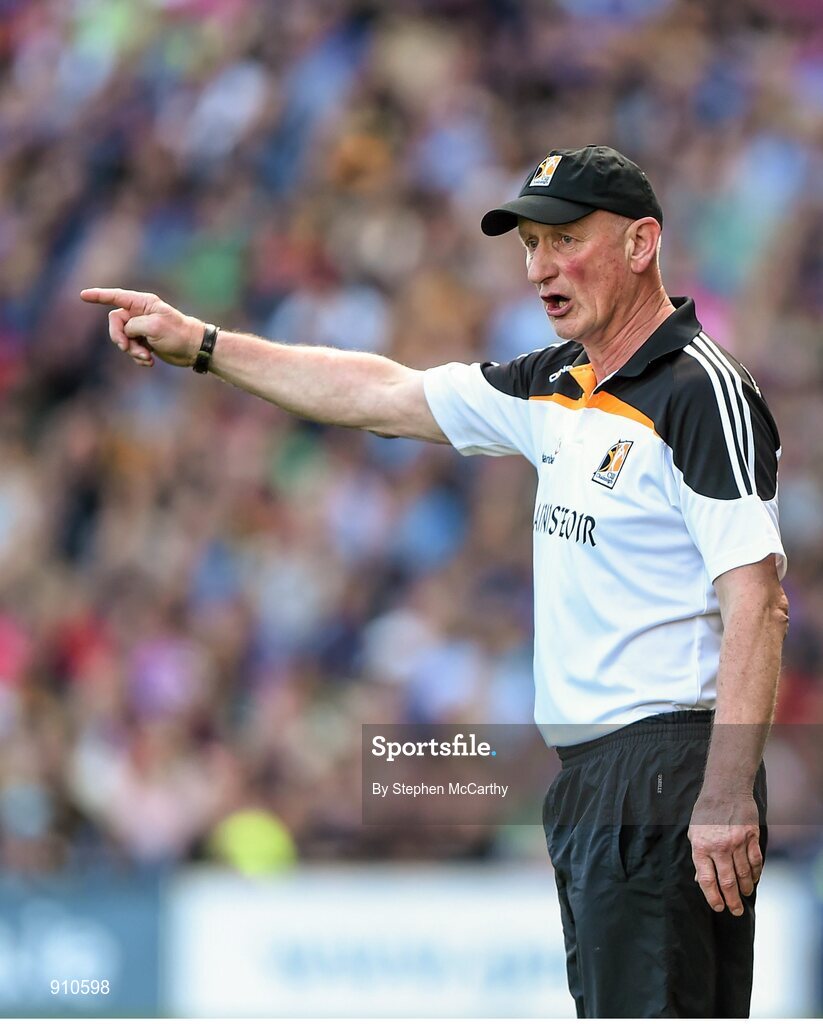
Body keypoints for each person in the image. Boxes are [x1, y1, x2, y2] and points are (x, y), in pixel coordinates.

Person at [81, 144, 788, 1018]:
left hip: (665, 768)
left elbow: (757, 599)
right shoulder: (557, 384)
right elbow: (383, 393)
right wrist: (205, 346)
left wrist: (724, 790)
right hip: (592, 778)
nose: (538, 268)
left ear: (641, 243)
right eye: (528, 245)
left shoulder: (699, 391)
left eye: (564, 240)